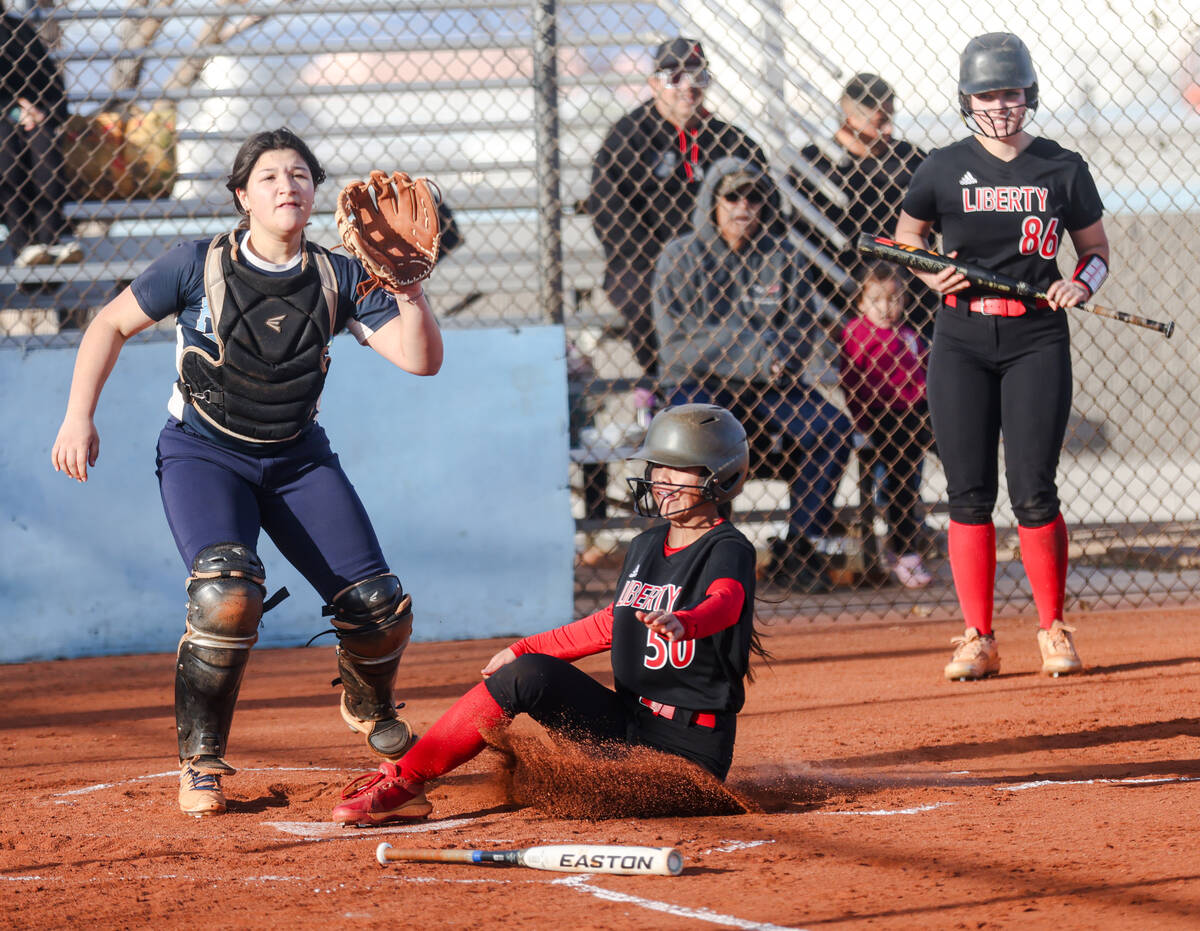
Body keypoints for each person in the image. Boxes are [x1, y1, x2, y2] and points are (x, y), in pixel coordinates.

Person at [50, 128, 444, 816]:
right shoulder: (195, 262)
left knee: (379, 608)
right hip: (204, 454)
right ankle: (201, 761)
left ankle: (368, 698)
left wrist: (409, 291)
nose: (286, 185)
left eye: (299, 174)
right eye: (268, 176)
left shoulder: (340, 274)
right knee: (227, 594)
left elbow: (421, 362)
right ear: (242, 195)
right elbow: (107, 325)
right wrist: (78, 416)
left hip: (296, 458)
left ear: (316, 194)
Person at [331, 403, 764, 825]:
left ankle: (607, 785)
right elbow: (611, 624)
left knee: (579, 792)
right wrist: (524, 649)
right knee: (527, 674)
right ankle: (404, 782)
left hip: (687, 752)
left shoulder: (727, 549)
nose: (661, 479)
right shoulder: (646, 547)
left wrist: (687, 622)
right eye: (656, 466)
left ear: (720, 476)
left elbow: (725, 602)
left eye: (678, 467)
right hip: (629, 726)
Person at [893, 33, 1109, 680]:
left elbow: (1095, 251)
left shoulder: (1061, 166)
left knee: (1034, 489)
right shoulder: (940, 167)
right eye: (987, 94)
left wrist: (1080, 283)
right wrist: (932, 275)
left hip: (1036, 337)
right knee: (968, 491)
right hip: (960, 338)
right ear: (967, 100)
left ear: (1029, 95)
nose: (1000, 106)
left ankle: (1052, 628)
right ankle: (978, 636)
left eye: (1010, 93)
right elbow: (908, 238)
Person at [652, 157, 854, 593]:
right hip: (701, 384)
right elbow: (677, 344)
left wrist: (771, 358)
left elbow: (800, 332)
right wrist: (756, 352)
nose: (743, 206)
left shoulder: (783, 258)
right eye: (732, 196)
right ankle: (706, 550)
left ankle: (800, 544)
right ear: (712, 202)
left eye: (753, 197)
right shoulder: (680, 256)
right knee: (701, 435)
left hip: (770, 386)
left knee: (832, 427)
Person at [585, 37, 772, 403]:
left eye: (698, 75)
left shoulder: (732, 140)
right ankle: (665, 385)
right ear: (654, 83)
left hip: (723, 258)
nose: (688, 86)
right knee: (643, 295)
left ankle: (742, 382)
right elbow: (610, 214)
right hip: (648, 259)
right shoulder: (627, 138)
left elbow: (766, 206)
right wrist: (671, 263)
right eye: (674, 76)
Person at [787, 72, 936, 339]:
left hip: (906, 300)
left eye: (890, 119)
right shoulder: (813, 164)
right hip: (834, 297)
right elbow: (796, 238)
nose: (888, 130)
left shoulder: (910, 159)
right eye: (880, 122)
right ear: (849, 118)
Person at [838, 261, 933, 588]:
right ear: (862, 302)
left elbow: (923, 378)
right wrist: (862, 422)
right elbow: (850, 381)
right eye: (877, 299)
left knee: (934, 447)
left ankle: (914, 536)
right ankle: (904, 550)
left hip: (914, 412)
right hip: (880, 414)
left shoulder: (908, 336)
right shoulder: (856, 332)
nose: (886, 307)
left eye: (893, 299)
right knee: (902, 477)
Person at [0, 3, 82, 266]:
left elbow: (55, 91)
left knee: (42, 140)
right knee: (7, 143)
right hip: (6, 130)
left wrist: (39, 112)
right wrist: (12, 111)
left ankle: (49, 242)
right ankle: (22, 243)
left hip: (32, 125)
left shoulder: (18, 31)